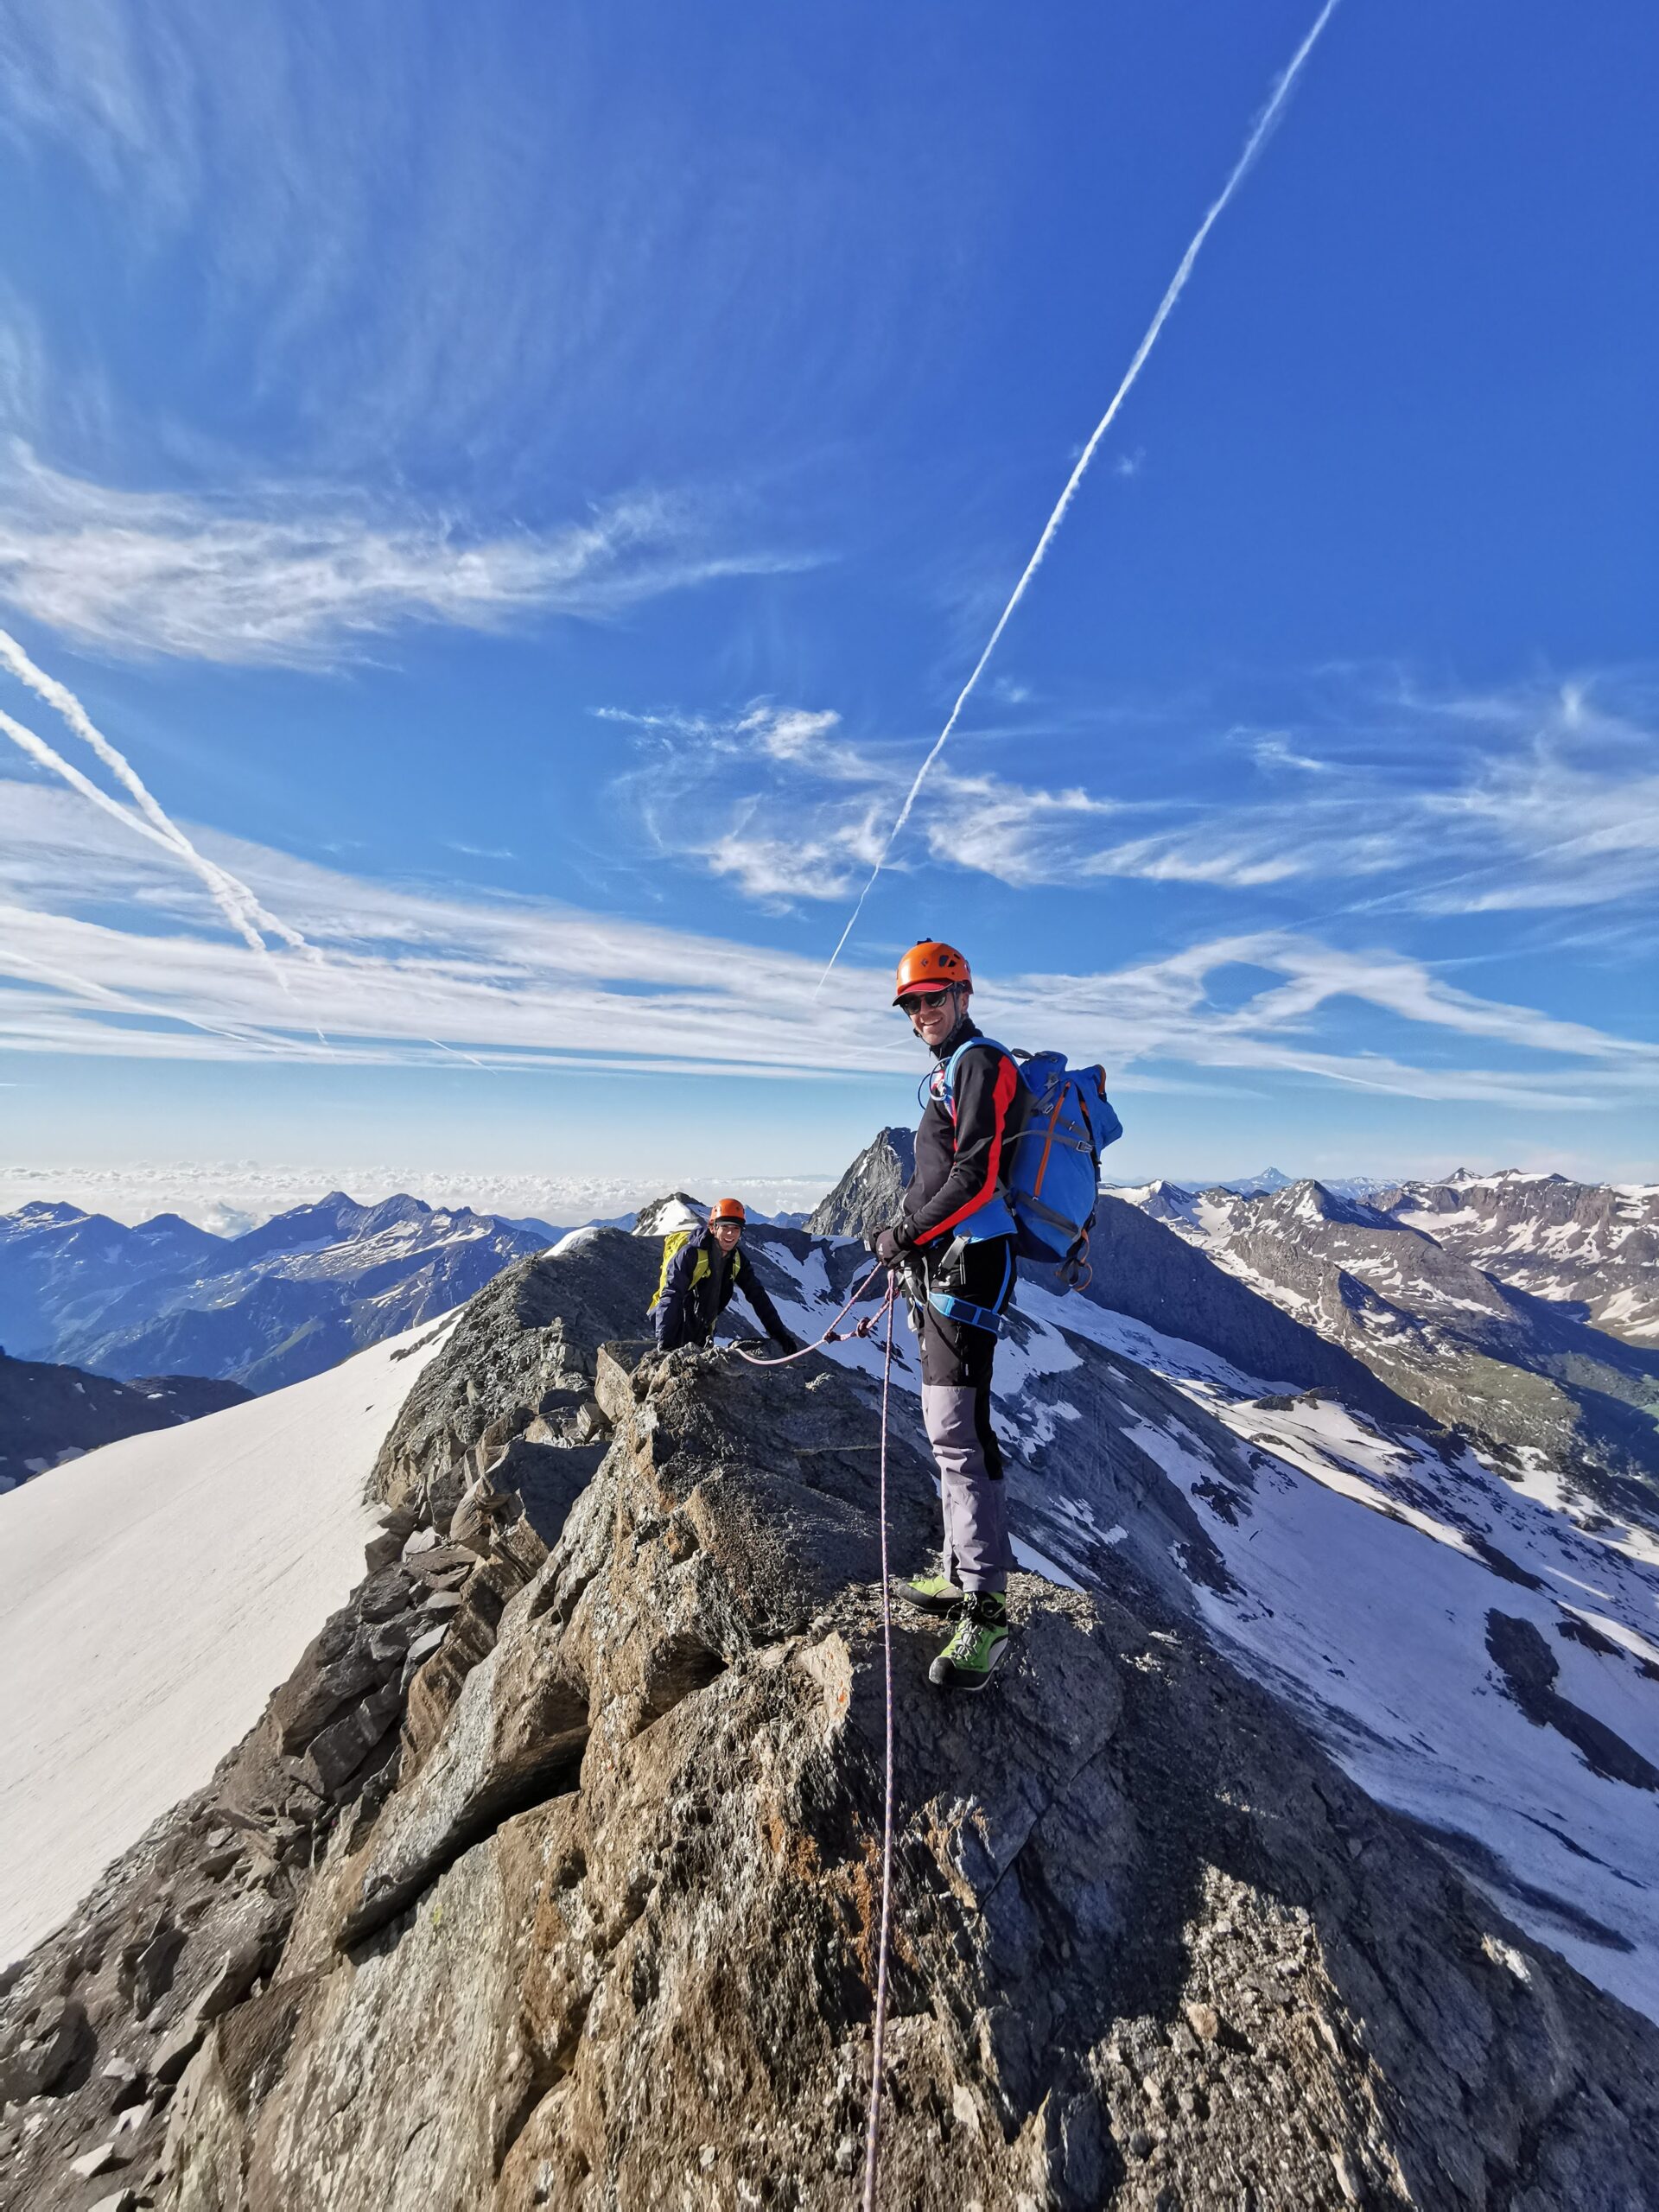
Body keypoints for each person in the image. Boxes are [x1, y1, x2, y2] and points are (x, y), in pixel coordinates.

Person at [870, 940, 1020, 1691]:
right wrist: (907, 1232)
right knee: (949, 1426)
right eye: (912, 1004)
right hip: (946, 1260)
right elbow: (941, 1171)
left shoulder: (981, 1062)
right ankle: (962, 1573)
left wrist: (906, 1233)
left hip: (972, 1260)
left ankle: (987, 1614)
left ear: (963, 994)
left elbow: (976, 1172)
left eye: (934, 998)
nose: (922, 1013)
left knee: (959, 1428)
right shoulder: (948, 1069)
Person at [652, 1198, 800, 1356]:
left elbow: (757, 1295)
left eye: (736, 1228)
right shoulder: (690, 1254)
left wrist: (779, 1333)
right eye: (725, 1227)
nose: (730, 1233)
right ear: (713, 1227)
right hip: (672, 1322)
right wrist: (666, 1343)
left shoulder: (736, 1259)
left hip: (702, 1327)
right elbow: (672, 1294)